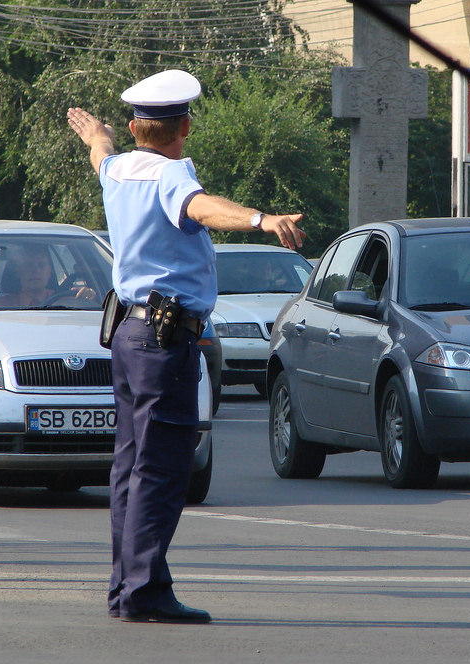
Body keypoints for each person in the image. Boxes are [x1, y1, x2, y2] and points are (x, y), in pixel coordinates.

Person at [67, 69, 305, 625]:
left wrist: (94, 134)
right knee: (162, 468)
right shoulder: (172, 176)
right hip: (163, 340)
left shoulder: (120, 169)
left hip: (128, 332)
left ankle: (129, 588)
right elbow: (201, 208)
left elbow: (101, 153)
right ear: (186, 127)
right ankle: (144, 592)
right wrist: (261, 220)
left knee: (130, 467)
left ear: (134, 127)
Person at [0, 244, 96, 308]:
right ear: (19, 272)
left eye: (41, 266)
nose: (36, 270)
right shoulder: (1, 306)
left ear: (49, 272)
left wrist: (88, 296)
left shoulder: (67, 301)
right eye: (29, 266)